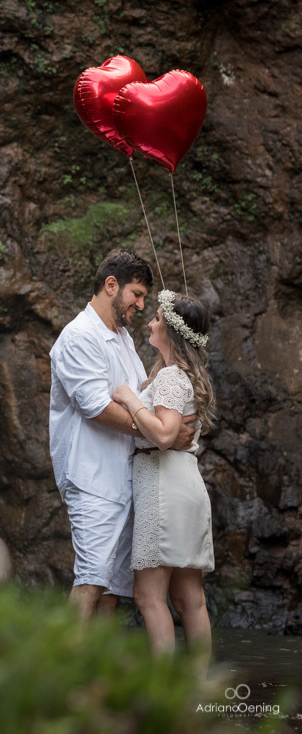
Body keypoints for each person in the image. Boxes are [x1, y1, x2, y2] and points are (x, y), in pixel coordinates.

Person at [49, 248, 196, 620]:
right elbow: (97, 408)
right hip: (92, 476)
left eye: (145, 297)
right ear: (111, 286)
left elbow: (139, 398)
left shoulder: (124, 337)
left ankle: (97, 678)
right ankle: (61, 675)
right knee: (90, 580)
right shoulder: (79, 336)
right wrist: (163, 433)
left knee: (112, 589)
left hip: (127, 479)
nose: (142, 305)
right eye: (137, 294)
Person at [112, 290, 215, 660]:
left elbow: (165, 433)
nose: (151, 322)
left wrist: (129, 397)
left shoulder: (171, 376)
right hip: (185, 482)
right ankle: (195, 691)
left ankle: (164, 695)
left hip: (163, 486)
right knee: (190, 599)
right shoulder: (183, 375)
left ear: (171, 332)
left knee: (149, 595)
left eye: (157, 318)